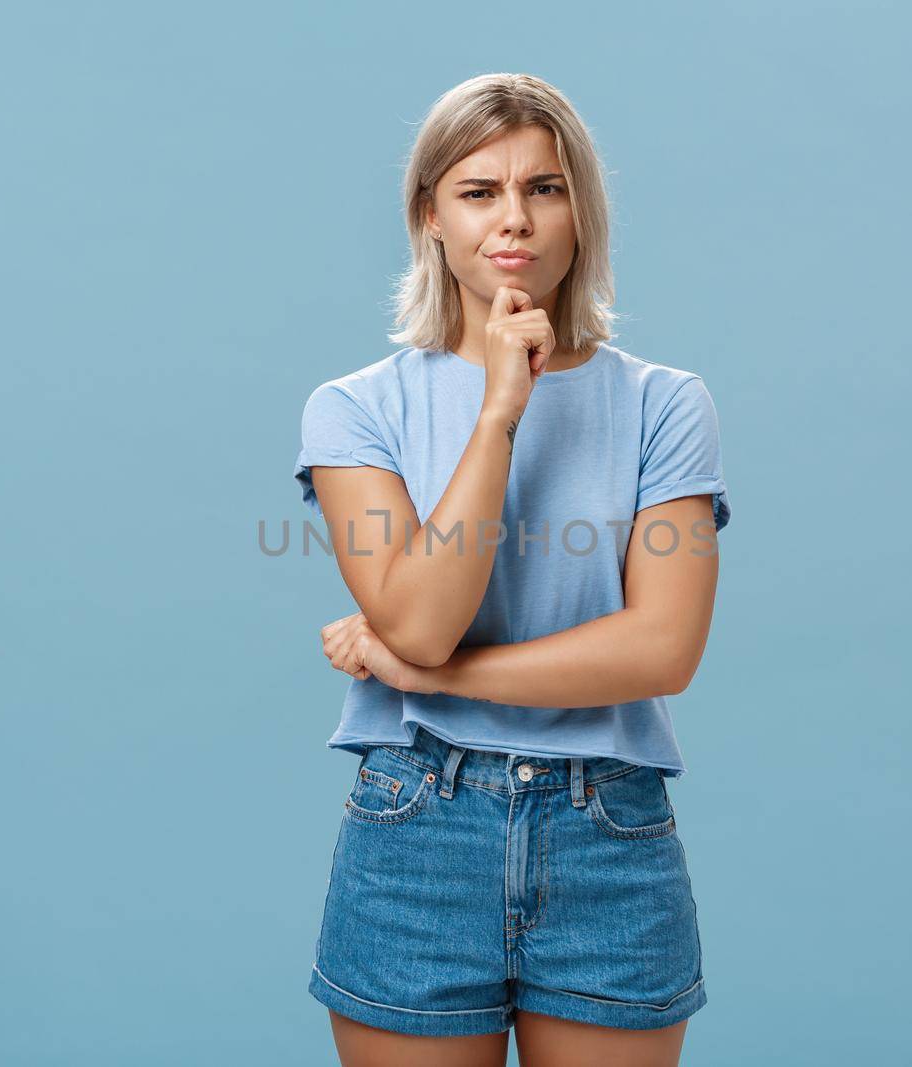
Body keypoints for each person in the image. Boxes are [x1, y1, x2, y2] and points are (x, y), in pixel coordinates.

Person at [292, 72, 731, 1067]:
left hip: (606, 829)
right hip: (416, 830)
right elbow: (421, 622)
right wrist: (499, 409)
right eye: (477, 191)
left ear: (582, 211)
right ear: (429, 218)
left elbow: (660, 648)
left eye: (544, 187)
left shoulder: (665, 403)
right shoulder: (353, 409)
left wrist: (427, 679)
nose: (514, 220)